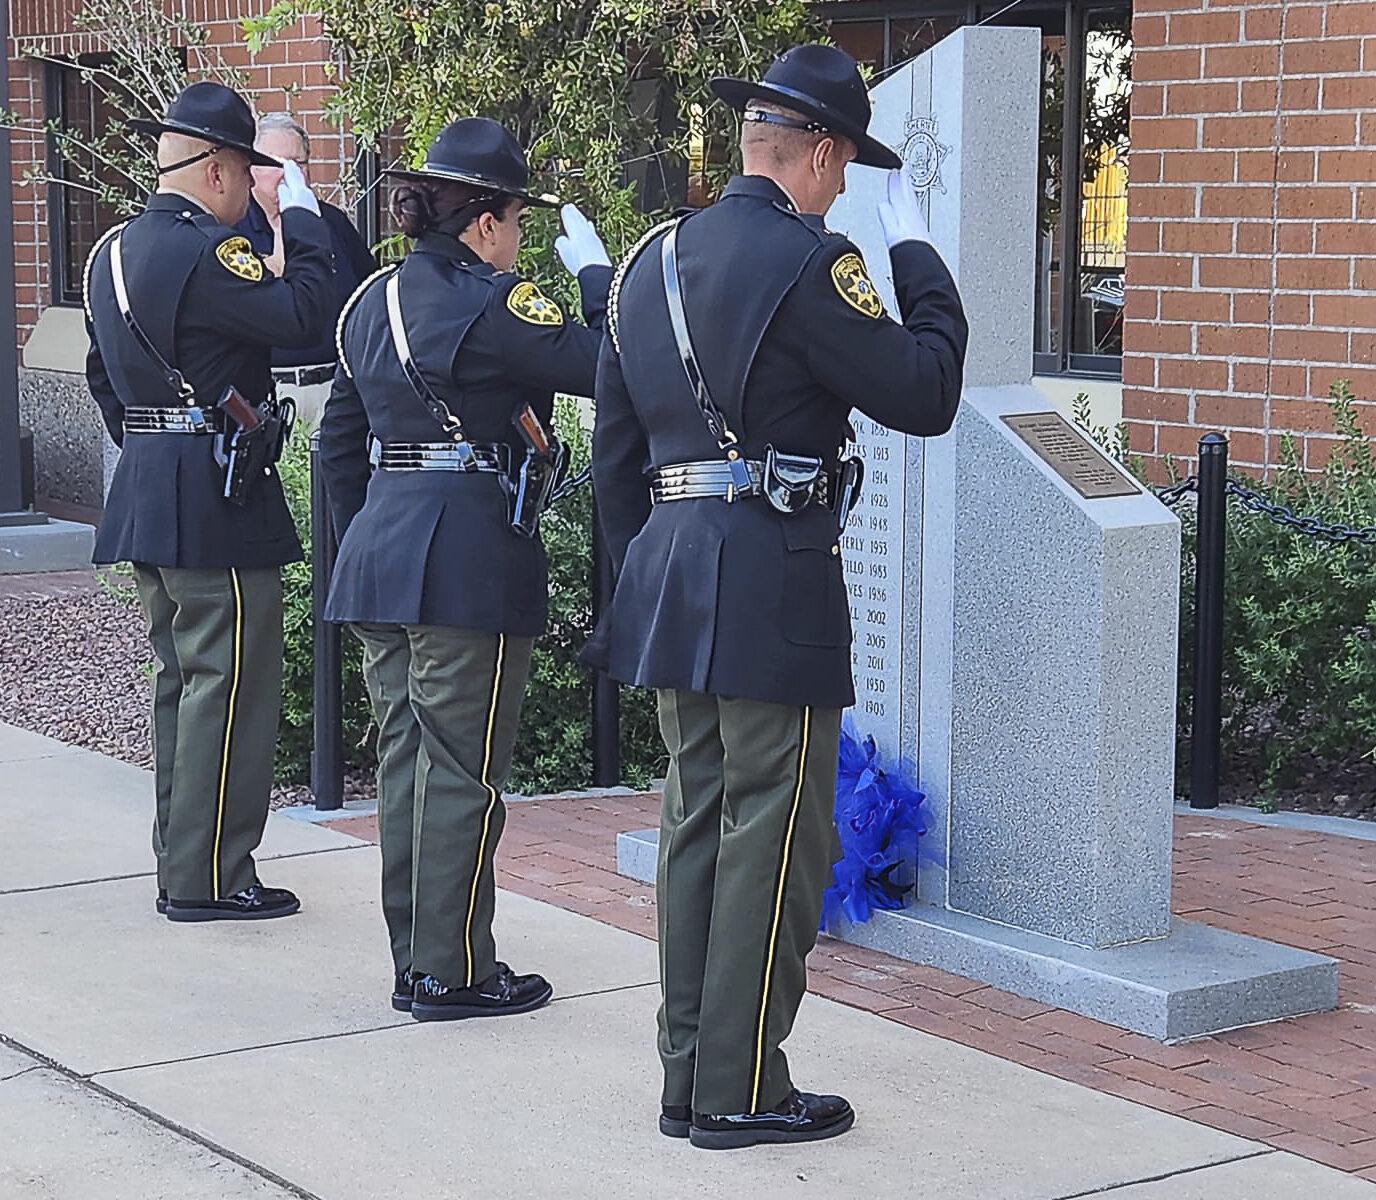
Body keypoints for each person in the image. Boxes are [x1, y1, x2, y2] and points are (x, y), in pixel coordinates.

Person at [585, 44, 969, 1149]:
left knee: (695, 824)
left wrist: (643, 580)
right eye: (846, 174)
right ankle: (742, 1083)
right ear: (823, 154)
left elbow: (616, 460)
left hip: (671, 575)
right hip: (772, 580)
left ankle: (688, 1074)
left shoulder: (649, 261)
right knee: (775, 835)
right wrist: (915, 257)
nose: (842, 194)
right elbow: (925, 390)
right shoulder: (813, 261)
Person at [318, 117, 613, 1021]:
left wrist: (374, 541)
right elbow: (613, 367)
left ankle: (417, 962)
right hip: (465, 564)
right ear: (485, 222)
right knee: (460, 773)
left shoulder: (369, 303)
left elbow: (338, 447)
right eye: (517, 221)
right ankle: (453, 973)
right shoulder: (495, 303)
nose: (518, 239)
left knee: (408, 765)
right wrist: (597, 282)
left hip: (380, 558)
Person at [84, 82, 335, 921]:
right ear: (220, 169)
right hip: (217, 499)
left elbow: (102, 377)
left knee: (180, 686)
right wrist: (302, 222)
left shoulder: (109, 253)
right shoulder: (210, 251)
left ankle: (181, 862)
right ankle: (214, 877)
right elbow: (304, 314)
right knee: (229, 689)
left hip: (150, 489)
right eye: (251, 174)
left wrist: (158, 451)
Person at [234, 113, 377, 428]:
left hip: (336, 389)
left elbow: (368, 297)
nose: (290, 174)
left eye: (299, 163)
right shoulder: (233, 229)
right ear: (252, 168)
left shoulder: (332, 224)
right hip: (267, 392)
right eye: (276, 163)